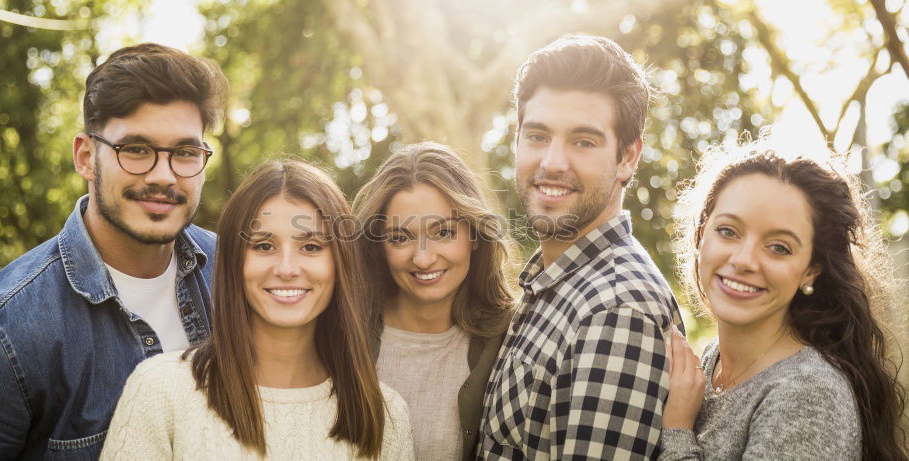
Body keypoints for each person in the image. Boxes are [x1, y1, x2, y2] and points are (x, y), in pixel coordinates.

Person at [0, 43, 228, 459]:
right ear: (85, 156)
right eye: (135, 149)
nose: (163, 175)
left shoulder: (236, 271)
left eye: (185, 153)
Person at [100, 160, 414, 460]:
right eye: (264, 245)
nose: (287, 268)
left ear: (339, 264)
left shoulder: (385, 415)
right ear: (235, 261)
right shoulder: (160, 391)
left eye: (311, 246)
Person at [479, 35, 685, 460]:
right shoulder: (557, 283)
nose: (553, 162)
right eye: (537, 136)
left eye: (583, 142)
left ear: (628, 157)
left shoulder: (617, 310)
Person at [660, 142, 909, 460]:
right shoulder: (711, 360)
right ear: (700, 235)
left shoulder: (807, 394)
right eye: (728, 231)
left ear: (810, 271)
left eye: (779, 247)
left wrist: (677, 432)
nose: (745, 260)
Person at [352, 142, 517, 461]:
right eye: (400, 238)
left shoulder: (508, 339)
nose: (423, 258)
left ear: (474, 236)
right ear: (379, 247)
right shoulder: (343, 330)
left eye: (443, 232)